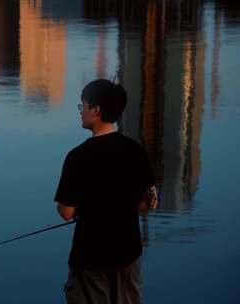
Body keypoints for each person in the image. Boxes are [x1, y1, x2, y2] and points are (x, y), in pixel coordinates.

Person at [53, 79, 157, 304]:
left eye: (83, 106)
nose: (81, 112)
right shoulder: (136, 151)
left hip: (91, 257)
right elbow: (151, 202)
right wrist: (121, 206)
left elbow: (66, 211)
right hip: (128, 253)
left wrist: (89, 209)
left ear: (96, 110)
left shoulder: (77, 156)